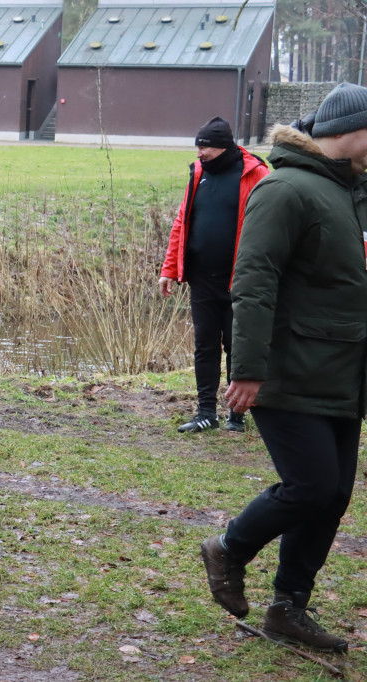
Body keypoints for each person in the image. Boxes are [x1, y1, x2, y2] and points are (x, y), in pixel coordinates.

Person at [200, 82, 367, 654]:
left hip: (343, 373)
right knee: (311, 484)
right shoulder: (286, 189)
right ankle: (229, 547)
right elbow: (253, 280)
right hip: (287, 369)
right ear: (349, 131)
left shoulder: (352, 192)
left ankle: (287, 607)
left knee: (334, 493)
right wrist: (247, 368)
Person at [159, 117, 270, 433]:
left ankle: (238, 414)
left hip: (242, 281)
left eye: (205, 146)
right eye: (198, 145)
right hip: (202, 279)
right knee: (205, 345)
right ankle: (206, 412)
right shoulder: (198, 175)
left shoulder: (257, 174)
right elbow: (182, 221)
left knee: (239, 347)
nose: (200, 152)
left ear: (224, 147)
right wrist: (169, 269)